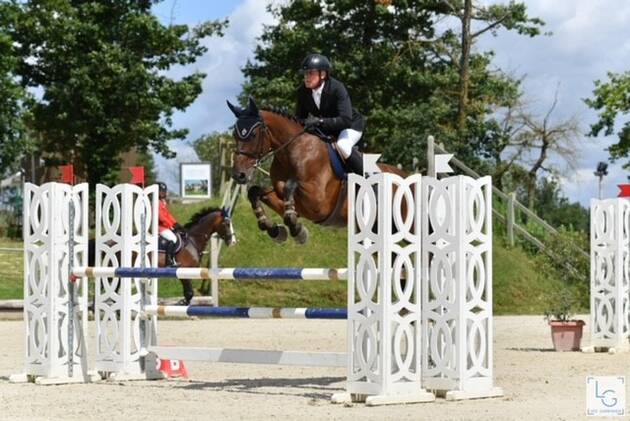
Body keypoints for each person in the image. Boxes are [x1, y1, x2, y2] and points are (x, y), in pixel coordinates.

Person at [296, 53, 365, 174]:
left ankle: (370, 178)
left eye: (311, 73)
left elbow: (345, 120)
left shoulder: (337, 88)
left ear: (322, 74)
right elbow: (300, 119)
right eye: (305, 74)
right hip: (328, 128)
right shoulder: (303, 91)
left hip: (350, 126)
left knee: (343, 145)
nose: (306, 77)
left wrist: (320, 121)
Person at [158, 182, 182, 267]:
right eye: (161, 191)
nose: (163, 193)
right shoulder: (156, 202)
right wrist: (171, 225)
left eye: (164, 191)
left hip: (165, 226)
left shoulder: (163, 202)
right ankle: (169, 261)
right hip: (159, 227)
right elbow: (161, 217)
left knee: (178, 235)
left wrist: (175, 223)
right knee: (173, 239)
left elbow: (168, 215)